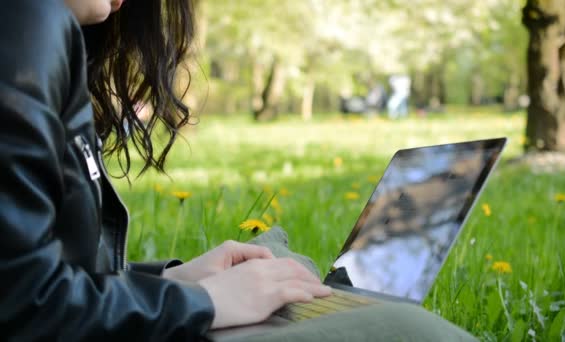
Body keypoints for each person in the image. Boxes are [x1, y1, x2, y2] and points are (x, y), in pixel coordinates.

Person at [0, 1, 477, 341]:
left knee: (277, 259)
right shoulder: (29, 20)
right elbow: (24, 309)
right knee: (409, 329)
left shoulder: (41, 27)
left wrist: (170, 283)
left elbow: (36, 268)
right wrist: (205, 303)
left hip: (106, 312)